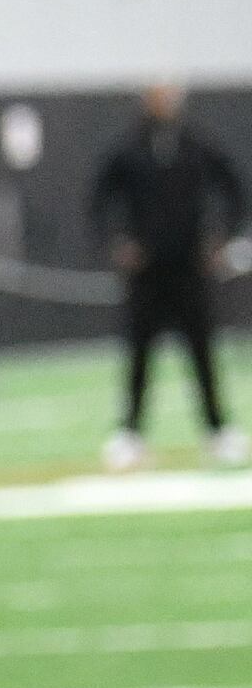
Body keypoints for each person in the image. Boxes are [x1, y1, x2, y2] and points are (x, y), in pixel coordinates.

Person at [89, 81, 245, 470]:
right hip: (148, 271)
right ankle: (130, 433)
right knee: (140, 352)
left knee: (202, 352)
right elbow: (99, 198)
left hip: (189, 267)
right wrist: (117, 241)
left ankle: (217, 430)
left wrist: (222, 238)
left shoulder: (197, 144)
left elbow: (234, 187)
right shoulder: (130, 148)